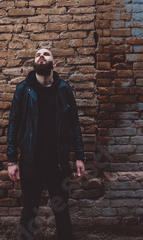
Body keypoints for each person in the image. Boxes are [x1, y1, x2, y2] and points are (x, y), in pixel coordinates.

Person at [7, 48, 86, 240]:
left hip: (57, 162)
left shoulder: (64, 90)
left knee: (61, 209)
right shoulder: (23, 89)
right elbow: (13, 124)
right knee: (29, 210)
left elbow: (74, 125)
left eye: (46, 54)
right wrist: (11, 160)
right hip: (30, 161)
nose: (41, 56)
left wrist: (79, 156)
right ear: (35, 63)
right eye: (37, 55)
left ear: (54, 64)